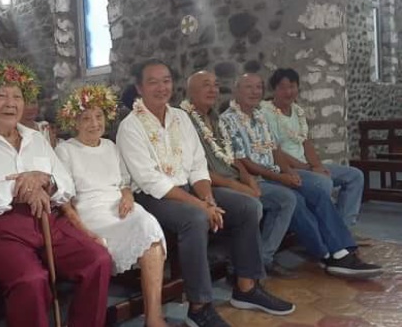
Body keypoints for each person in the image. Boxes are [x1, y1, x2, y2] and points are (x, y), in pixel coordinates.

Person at [116, 59, 295, 327]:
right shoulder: (130, 126)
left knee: (248, 206)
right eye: (152, 82)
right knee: (195, 218)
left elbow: (198, 165)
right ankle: (199, 306)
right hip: (154, 197)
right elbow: (151, 181)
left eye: (166, 80)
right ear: (140, 87)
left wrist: (208, 198)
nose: (161, 87)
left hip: (188, 189)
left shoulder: (180, 117)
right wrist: (201, 207)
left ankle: (246, 289)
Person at [0, 61, 112, 327]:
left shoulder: (36, 138)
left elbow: (66, 184)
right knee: (30, 280)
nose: (11, 103)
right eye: (1, 95)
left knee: (98, 260)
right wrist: (16, 188)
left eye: (17, 96)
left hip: (48, 220)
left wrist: (45, 181)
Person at [220, 73, 381, 279]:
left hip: (277, 172)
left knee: (319, 189)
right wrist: (282, 178)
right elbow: (243, 162)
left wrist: (289, 172)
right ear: (236, 91)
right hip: (257, 178)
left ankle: (340, 249)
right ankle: (327, 253)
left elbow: (275, 150)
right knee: (295, 200)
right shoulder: (228, 120)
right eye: (248, 87)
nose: (254, 92)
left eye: (258, 87)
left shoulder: (259, 116)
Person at [55, 85, 168, 327]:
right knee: (143, 228)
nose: (94, 123)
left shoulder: (110, 146)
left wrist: (127, 197)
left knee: (150, 228)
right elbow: (65, 201)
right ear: (75, 122)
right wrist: (84, 232)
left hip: (119, 204)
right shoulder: (65, 150)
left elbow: (124, 182)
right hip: (90, 211)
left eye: (99, 116)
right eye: (86, 118)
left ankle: (154, 316)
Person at [181, 71, 297, 278]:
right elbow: (196, 171)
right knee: (252, 206)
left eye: (215, 85)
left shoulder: (214, 117)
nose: (212, 89)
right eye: (206, 85)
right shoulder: (183, 120)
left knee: (285, 198)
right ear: (190, 91)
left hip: (231, 179)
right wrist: (240, 187)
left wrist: (248, 179)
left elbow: (233, 157)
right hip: (208, 185)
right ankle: (242, 270)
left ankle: (260, 259)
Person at [260, 68, 364, 229]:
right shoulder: (265, 111)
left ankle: (343, 229)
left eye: (292, 86)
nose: (288, 92)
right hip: (284, 169)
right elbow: (275, 151)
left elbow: (306, 142)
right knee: (323, 183)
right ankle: (328, 230)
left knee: (354, 176)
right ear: (274, 90)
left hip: (305, 166)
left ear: (298, 88)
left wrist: (317, 166)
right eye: (282, 87)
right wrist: (306, 168)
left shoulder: (297, 110)